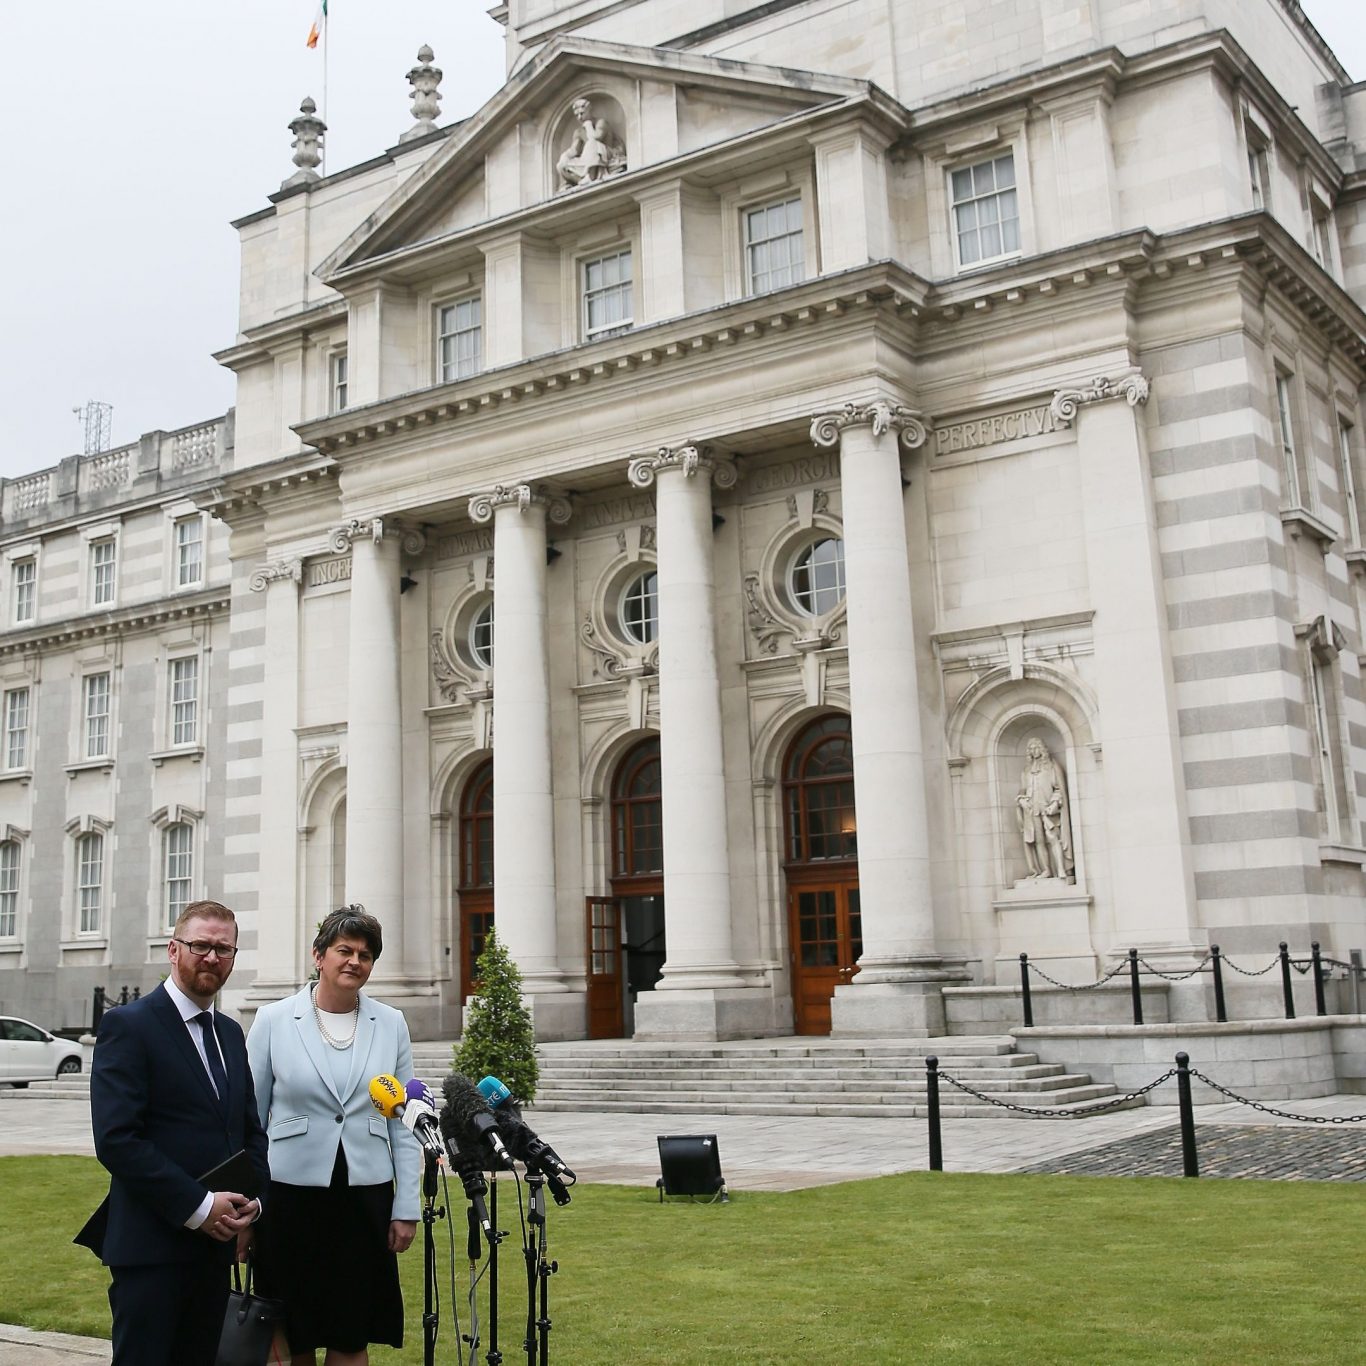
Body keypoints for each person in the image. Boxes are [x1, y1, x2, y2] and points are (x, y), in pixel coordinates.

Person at [82, 899, 270, 1366]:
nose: (212, 957)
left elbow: (249, 1130)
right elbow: (117, 1140)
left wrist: (253, 1202)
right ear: (173, 949)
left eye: (223, 949)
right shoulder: (128, 1025)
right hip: (151, 1249)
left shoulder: (229, 1033)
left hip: (214, 1253)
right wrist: (200, 1207)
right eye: (201, 945)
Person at [247, 905, 421, 1366]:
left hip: (364, 1199)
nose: (354, 962)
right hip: (287, 1199)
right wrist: (245, 1207)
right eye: (344, 950)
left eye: (365, 955)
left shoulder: (392, 1023)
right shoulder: (273, 1020)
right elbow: (249, 1122)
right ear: (318, 956)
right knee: (294, 1332)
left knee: (351, 1331)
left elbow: (403, 1125)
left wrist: (406, 1207)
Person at [1015, 737, 1075, 881]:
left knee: (1053, 837)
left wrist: (1055, 803)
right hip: (1032, 809)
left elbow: (1058, 788)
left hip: (1048, 808)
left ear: (1042, 749)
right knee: (1039, 841)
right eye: (1031, 748)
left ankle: (1061, 868)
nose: (1034, 751)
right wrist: (1021, 800)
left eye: (1036, 747)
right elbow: (1022, 790)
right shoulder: (1027, 771)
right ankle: (1046, 870)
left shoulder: (1052, 767)